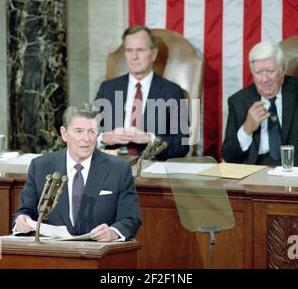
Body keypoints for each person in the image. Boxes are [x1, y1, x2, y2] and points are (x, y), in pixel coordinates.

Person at [13, 104, 142, 241]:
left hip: (98, 253)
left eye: (92, 131)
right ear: (64, 133)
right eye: (79, 131)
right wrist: (21, 221)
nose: (86, 139)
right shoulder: (40, 166)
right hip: (53, 253)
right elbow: (24, 212)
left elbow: (131, 218)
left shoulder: (118, 169)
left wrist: (113, 232)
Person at [94, 25, 189, 160]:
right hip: (111, 165)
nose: (134, 57)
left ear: (154, 54)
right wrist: (104, 138)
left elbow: (182, 145)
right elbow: (87, 135)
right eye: (129, 50)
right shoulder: (107, 89)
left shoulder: (172, 92)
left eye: (140, 50)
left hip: (152, 168)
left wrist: (149, 138)